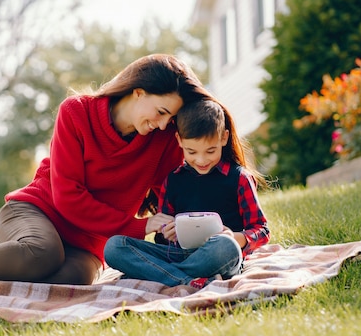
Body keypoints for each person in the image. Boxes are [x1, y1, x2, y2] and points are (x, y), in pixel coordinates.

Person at [0, 54, 210, 289]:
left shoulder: (161, 137)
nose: (165, 123)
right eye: (162, 111)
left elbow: (179, 190)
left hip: (88, 243)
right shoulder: (77, 112)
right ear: (138, 92)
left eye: (171, 117)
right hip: (36, 213)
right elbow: (67, 197)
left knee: (72, 281)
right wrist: (135, 227)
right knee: (42, 253)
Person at [103, 99, 270, 289]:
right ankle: (188, 280)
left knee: (226, 247)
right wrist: (168, 232)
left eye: (210, 151)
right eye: (191, 152)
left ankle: (158, 274)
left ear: (223, 138)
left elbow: (262, 230)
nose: (201, 160)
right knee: (115, 247)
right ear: (179, 141)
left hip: (218, 255)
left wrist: (236, 237)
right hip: (178, 254)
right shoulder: (173, 181)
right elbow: (163, 239)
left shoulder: (239, 178)